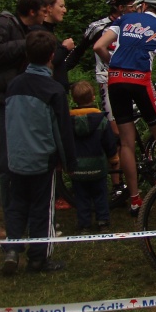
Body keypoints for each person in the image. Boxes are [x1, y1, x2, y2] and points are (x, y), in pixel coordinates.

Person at [93, 0, 156, 215]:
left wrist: (115, 66)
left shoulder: (124, 19)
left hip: (115, 80)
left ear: (141, 5)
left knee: (127, 143)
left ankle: (135, 200)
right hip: (141, 80)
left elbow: (98, 46)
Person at [1, 30, 77, 275]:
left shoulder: (13, 85)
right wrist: (69, 162)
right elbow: (62, 130)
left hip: (16, 157)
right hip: (42, 159)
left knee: (16, 205)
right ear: (52, 56)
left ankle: (12, 249)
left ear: (26, 54)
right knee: (42, 208)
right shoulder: (53, 90)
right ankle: (38, 258)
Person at [0, 0, 47, 241]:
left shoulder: (19, 29)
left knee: (5, 162)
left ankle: (8, 216)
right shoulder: (2, 24)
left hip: (4, 100)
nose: (45, 14)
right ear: (32, 11)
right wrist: (27, 45)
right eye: (43, 10)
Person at [64, 0, 137, 202]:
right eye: (132, 5)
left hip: (133, 79)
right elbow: (78, 52)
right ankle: (117, 184)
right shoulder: (98, 27)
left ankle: (135, 176)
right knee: (116, 135)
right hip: (109, 82)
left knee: (132, 132)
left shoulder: (136, 25)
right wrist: (60, 71)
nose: (136, 8)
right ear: (120, 7)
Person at [68, 80, 118, 232]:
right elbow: (109, 142)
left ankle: (84, 224)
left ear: (73, 99)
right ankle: (103, 221)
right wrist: (113, 158)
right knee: (100, 194)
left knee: (81, 197)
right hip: (97, 166)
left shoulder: (69, 122)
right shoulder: (101, 121)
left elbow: (65, 143)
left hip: (77, 168)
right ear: (93, 97)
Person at [42, 0, 75, 91]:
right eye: (61, 6)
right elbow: (49, 61)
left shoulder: (50, 32)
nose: (64, 10)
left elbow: (63, 65)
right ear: (49, 8)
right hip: (49, 90)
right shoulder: (40, 33)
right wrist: (64, 48)